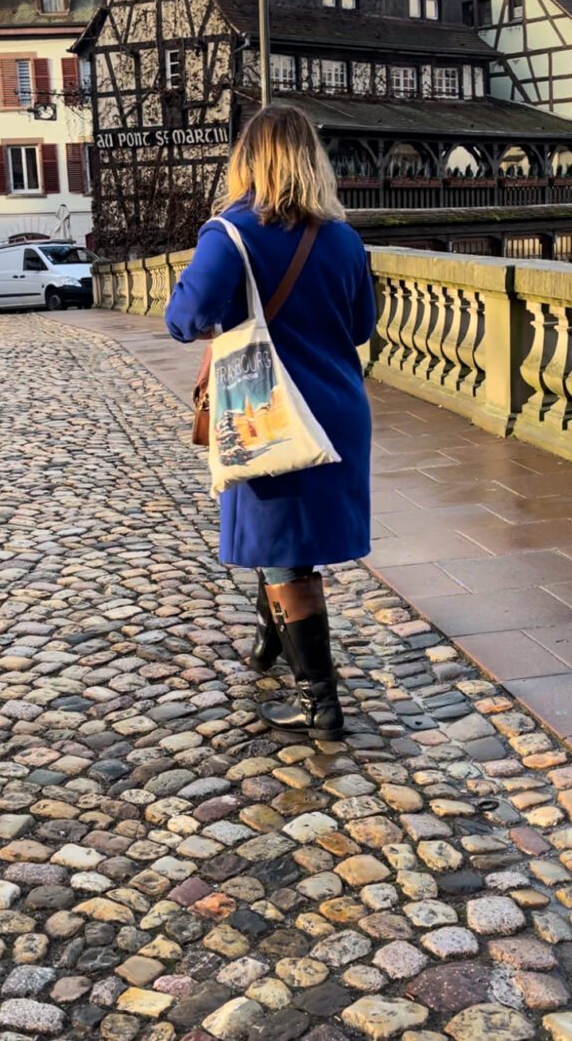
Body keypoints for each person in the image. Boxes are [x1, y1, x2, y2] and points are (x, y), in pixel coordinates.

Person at [165, 105, 376, 741]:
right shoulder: (343, 238)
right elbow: (361, 326)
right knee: (283, 540)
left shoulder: (230, 233)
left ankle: (320, 702)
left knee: (286, 555)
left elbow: (184, 319)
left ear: (249, 161)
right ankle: (268, 645)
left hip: (268, 411)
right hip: (336, 408)